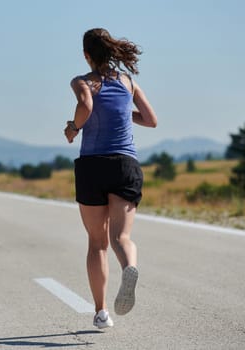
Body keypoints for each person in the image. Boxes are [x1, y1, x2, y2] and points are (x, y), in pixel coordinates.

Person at [64, 28, 158, 329]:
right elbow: (151, 120)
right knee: (121, 238)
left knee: (97, 243)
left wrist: (74, 128)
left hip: (92, 165)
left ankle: (101, 312)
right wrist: (122, 111)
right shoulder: (129, 82)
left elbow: (86, 106)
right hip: (125, 165)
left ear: (86, 55)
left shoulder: (82, 81)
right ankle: (129, 266)